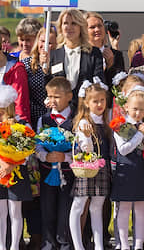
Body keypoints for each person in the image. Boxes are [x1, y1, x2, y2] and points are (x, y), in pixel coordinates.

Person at [0, 84, 32, 250]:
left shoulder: (24, 126)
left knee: (15, 209)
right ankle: (1, 246)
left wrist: (13, 164)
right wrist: (4, 164)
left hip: (16, 171)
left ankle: (14, 246)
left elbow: (27, 150)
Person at [69, 80, 110, 250]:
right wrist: (85, 137)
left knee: (97, 207)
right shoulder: (84, 123)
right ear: (86, 103)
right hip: (86, 168)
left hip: (102, 168)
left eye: (102, 100)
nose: (99, 104)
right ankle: (78, 246)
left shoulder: (105, 122)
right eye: (95, 101)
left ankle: (99, 245)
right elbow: (86, 148)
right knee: (78, 205)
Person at [36, 77, 76, 250]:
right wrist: (45, 156)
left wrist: (65, 157)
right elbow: (37, 145)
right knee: (47, 210)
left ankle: (65, 243)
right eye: (49, 96)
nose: (52, 100)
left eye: (57, 97)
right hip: (47, 173)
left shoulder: (76, 120)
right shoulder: (43, 120)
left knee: (65, 210)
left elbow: (80, 148)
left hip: (69, 173)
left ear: (69, 96)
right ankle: (48, 244)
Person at [112, 86, 144, 250]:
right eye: (135, 109)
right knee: (124, 207)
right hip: (125, 169)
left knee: (140, 208)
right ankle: (123, 244)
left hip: (140, 170)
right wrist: (140, 135)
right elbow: (123, 149)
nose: (138, 113)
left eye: (142, 110)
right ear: (126, 108)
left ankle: (138, 244)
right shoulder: (121, 126)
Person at [49, 10, 105, 102]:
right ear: (61, 27)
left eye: (74, 23)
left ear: (81, 27)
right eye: (65, 23)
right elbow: (48, 83)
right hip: (60, 111)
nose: (69, 27)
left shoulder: (93, 53)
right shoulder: (54, 55)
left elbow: (99, 82)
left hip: (84, 109)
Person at [87, 12, 124, 78]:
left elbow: (120, 82)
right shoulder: (82, 54)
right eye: (92, 27)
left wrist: (110, 65)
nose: (97, 29)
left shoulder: (114, 53)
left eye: (100, 26)